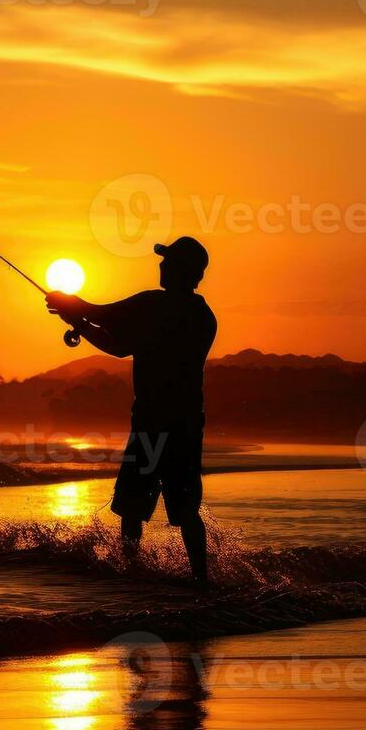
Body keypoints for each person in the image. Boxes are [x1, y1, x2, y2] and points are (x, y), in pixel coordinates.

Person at [47, 237, 217, 585]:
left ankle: (132, 572)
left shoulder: (155, 304)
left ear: (181, 269)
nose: (161, 266)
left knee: (131, 507)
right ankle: (202, 581)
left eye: (167, 261)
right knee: (186, 511)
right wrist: (81, 322)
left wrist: (75, 310)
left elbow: (107, 319)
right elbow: (123, 342)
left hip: (152, 423)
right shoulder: (203, 317)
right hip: (186, 424)